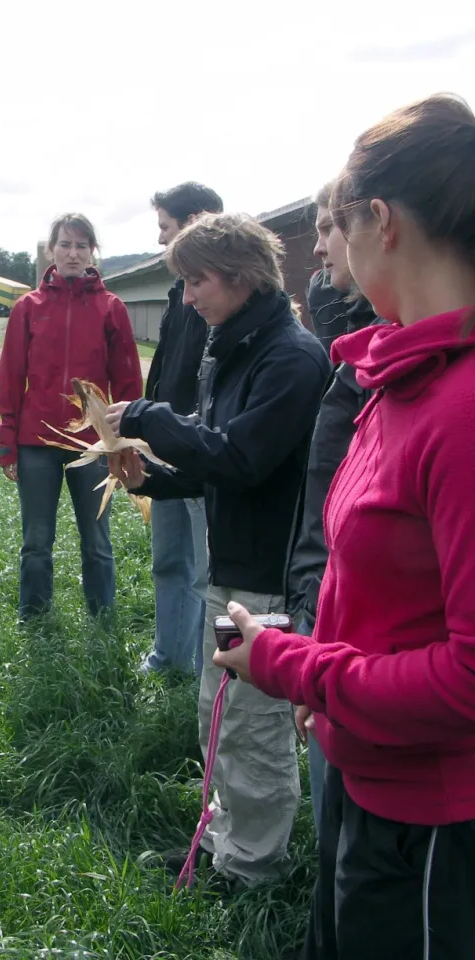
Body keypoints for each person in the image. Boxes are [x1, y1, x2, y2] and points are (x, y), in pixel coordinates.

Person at [216, 93, 475, 959]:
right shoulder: (397, 374)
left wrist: (297, 667)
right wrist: (320, 675)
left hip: (437, 821)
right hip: (370, 773)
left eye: (340, 222)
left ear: (383, 221)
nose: (329, 244)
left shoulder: (462, 406)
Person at [105, 212, 331, 885]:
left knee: (253, 725)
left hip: (268, 571)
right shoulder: (232, 344)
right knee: (221, 712)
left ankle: (253, 869)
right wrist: (160, 479)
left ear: (242, 277)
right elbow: (215, 460)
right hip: (232, 566)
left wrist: (147, 417)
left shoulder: (290, 357)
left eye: (196, 281)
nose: (187, 297)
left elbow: (244, 457)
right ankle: (227, 841)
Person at [284, 181, 380, 838]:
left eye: (327, 227)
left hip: (356, 646)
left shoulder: (390, 365)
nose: (316, 246)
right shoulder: (358, 351)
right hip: (328, 613)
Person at [0, 213, 142, 621]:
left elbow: (128, 381)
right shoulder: (28, 307)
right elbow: (10, 376)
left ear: (92, 251)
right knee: (36, 539)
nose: (73, 253)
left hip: (92, 444)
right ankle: (35, 617)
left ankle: (102, 617)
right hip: (35, 442)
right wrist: (8, 440)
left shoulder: (110, 308)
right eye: (65, 244)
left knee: (96, 538)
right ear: (51, 250)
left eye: (81, 245)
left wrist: (124, 440)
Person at [141, 182, 224, 675]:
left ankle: (201, 671)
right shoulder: (180, 293)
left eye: (165, 230)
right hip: (164, 447)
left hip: (198, 450)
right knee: (168, 562)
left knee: (201, 573)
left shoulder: (224, 302)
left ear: (194, 222)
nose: (159, 242)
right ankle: (168, 655)